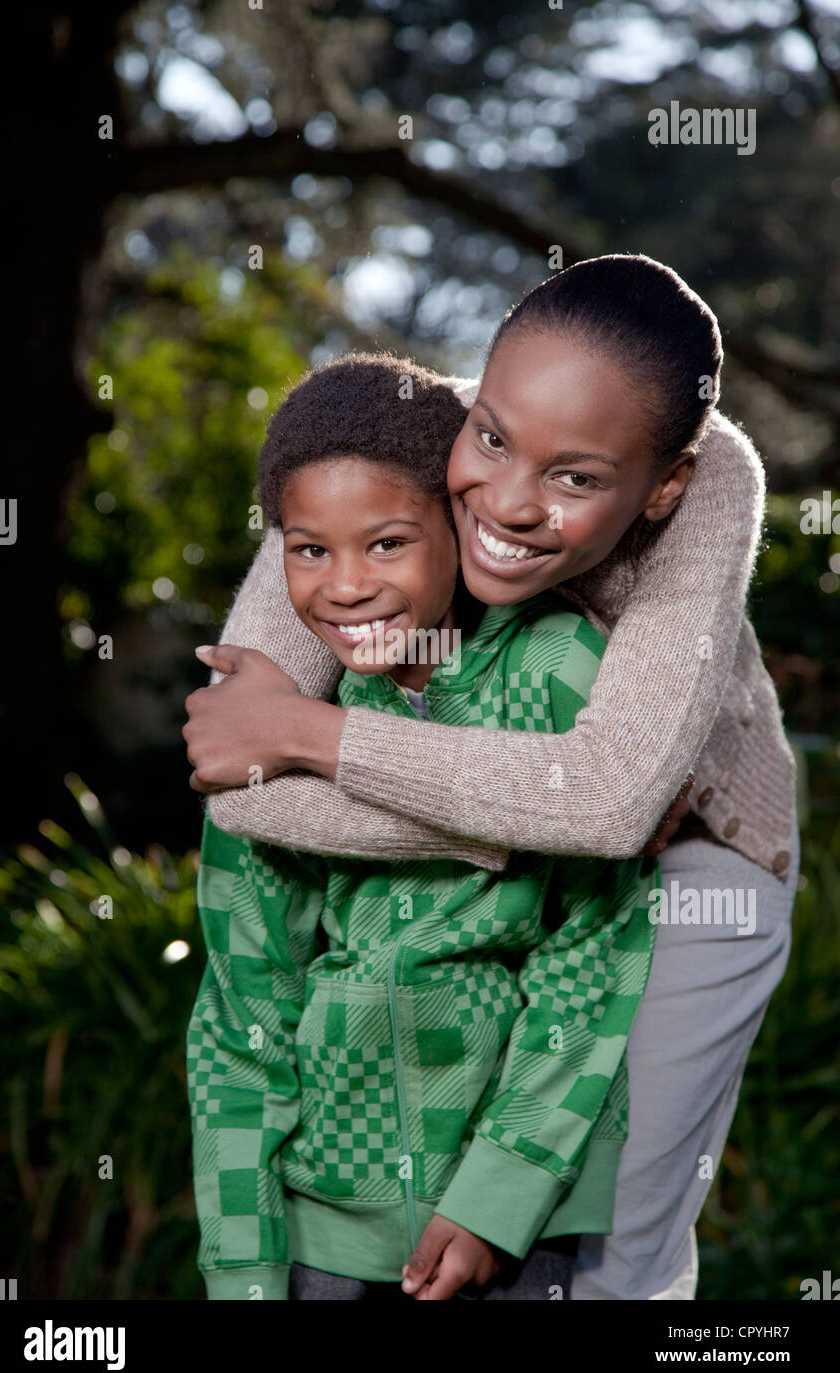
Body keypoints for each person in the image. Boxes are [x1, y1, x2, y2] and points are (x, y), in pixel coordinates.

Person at [183, 254, 799, 1300]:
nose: (505, 502)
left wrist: (308, 732)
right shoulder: (381, 441)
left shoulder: (712, 485)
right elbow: (237, 774)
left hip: (694, 858)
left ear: (659, 485)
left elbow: (612, 802)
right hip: (512, 862)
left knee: (605, 1256)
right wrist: (524, 828)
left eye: (575, 478)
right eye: (494, 438)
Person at [185, 354, 659, 1302]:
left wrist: (498, 1195)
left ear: (459, 524)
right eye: (310, 549)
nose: (346, 586)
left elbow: (593, 961)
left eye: (388, 543)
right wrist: (243, 1264)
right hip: (325, 1219)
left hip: (517, 1217)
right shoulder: (265, 723)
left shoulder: (559, 672)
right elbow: (241, 1016)